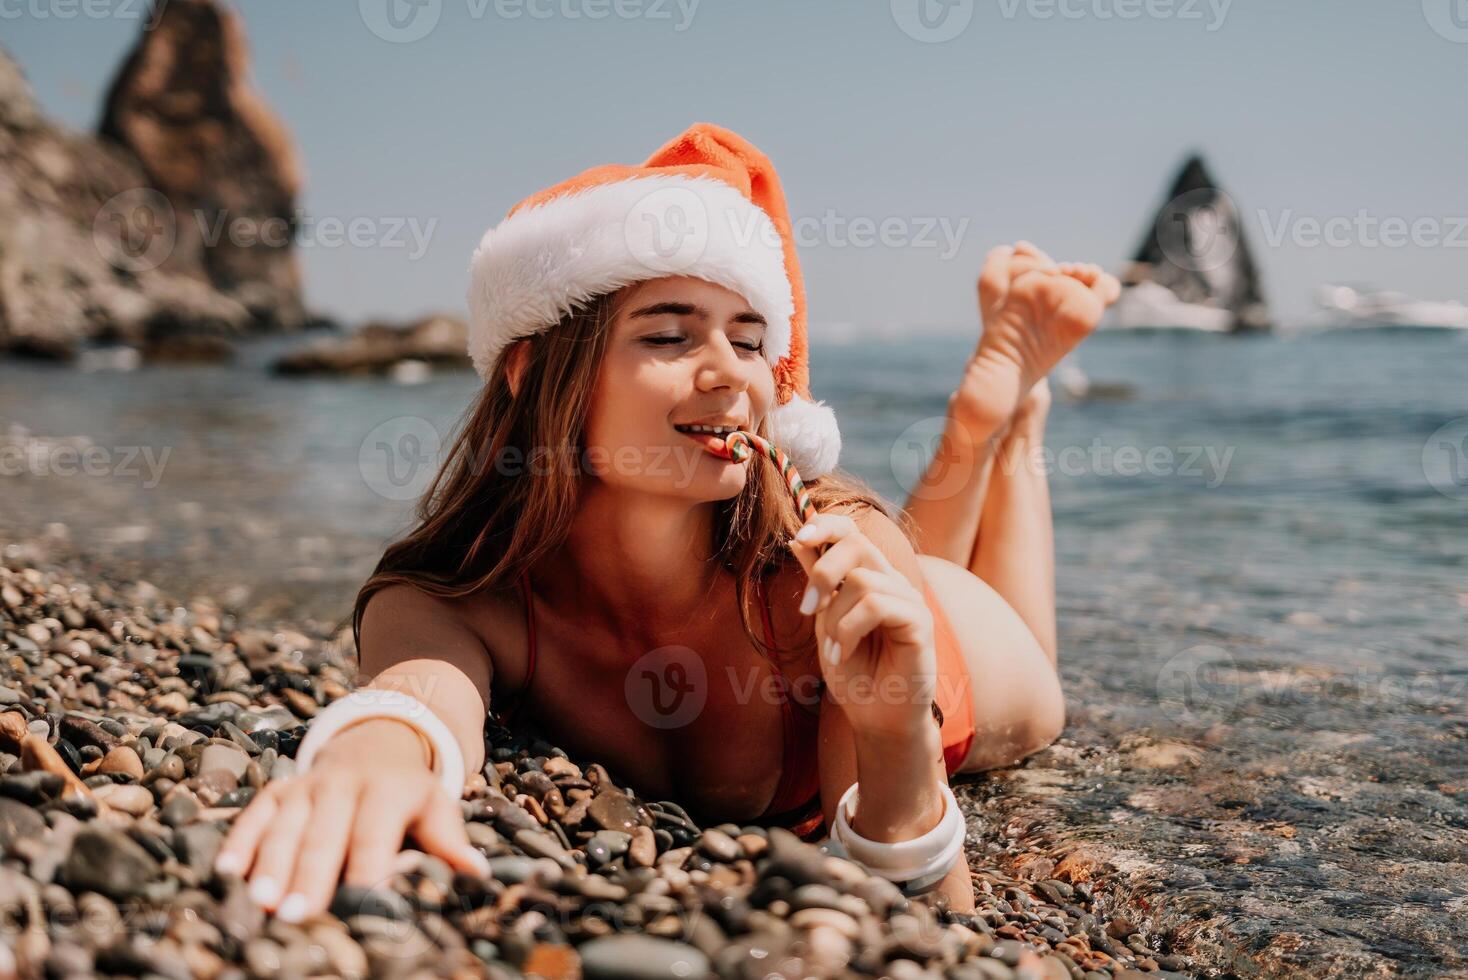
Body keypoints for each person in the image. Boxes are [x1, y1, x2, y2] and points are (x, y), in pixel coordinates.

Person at [215, 123, 1120, 922]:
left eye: (751, 337)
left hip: (961, 647)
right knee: (896, 569)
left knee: (999, 651)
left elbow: (931, 920)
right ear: (535, 376)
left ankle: (1005, 421)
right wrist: (366, 756)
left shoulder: (819, 567)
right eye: (669, 334)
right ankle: (992, 421)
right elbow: (417, 699)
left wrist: (892, 738)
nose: (731, 371)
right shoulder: (459, 595)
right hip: (889, 588)